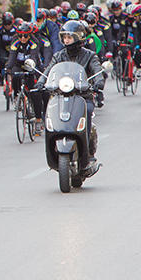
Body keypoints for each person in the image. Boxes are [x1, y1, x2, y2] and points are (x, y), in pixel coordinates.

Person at [36, 20, 104, 171]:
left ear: (79, 37)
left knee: (87, 111)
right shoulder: (59, 55)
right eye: (64, 37)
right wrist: (41, 81)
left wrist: (98, 82)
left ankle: (89, 153)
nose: (66, 40)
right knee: (51, 114)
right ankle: (52, 148)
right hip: (60, 95)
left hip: (82, 96)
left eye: (70, 37)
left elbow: (97, 69)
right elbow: (48, 70)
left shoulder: (89, 55)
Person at [7, 22, 43, 129]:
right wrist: (8, 68)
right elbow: (12, 56)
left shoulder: (34, 42)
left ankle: (38, 118)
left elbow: (33, 56)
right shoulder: (15, 42)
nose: (23, 38)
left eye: (25, 36)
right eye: (20, 36)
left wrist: (32, 68)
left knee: (34, 93)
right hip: (18, 65)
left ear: (30, 35)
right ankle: (17, 95)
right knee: (15, 75)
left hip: (31, 65)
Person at [0, 12, 16, 85]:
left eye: (9, 24)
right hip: (2, 48)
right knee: (2, 61)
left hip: (13, 48)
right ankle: (2, 75)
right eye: (5, 24)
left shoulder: (16, 30)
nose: (7, 26)